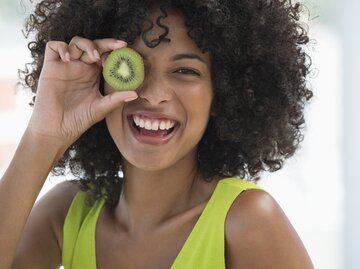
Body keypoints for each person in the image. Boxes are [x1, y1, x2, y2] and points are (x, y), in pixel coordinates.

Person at [0, 0, 315, 268]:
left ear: (221, 94)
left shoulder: (248, 221)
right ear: (100, 78)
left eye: (185, 71)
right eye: (133, 65)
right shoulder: (68, 212)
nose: (154, 94)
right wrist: (44, 136)